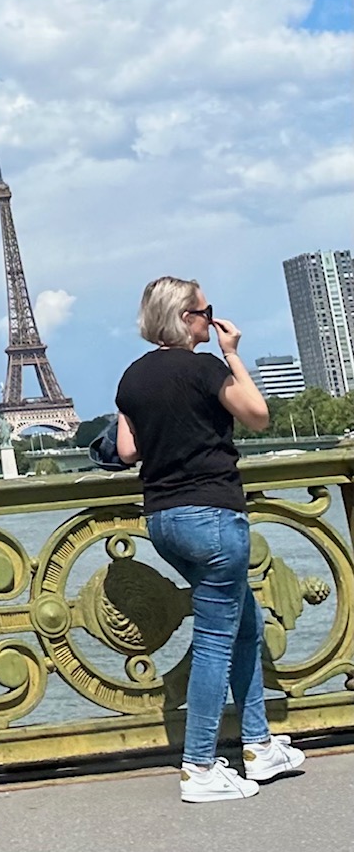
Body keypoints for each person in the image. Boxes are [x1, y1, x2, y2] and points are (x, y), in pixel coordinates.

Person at [114, 276, 304, 803]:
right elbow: (258, 416)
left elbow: (128, 450)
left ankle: (260, 747)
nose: (210, 317)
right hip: (214, 515)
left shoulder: (132, 377)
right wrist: (233, 354)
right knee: (218, 641)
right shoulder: (204, 368)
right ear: (185, 318)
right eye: (205, 310)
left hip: (164, 522)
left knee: (245, 625)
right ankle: (199, 766)